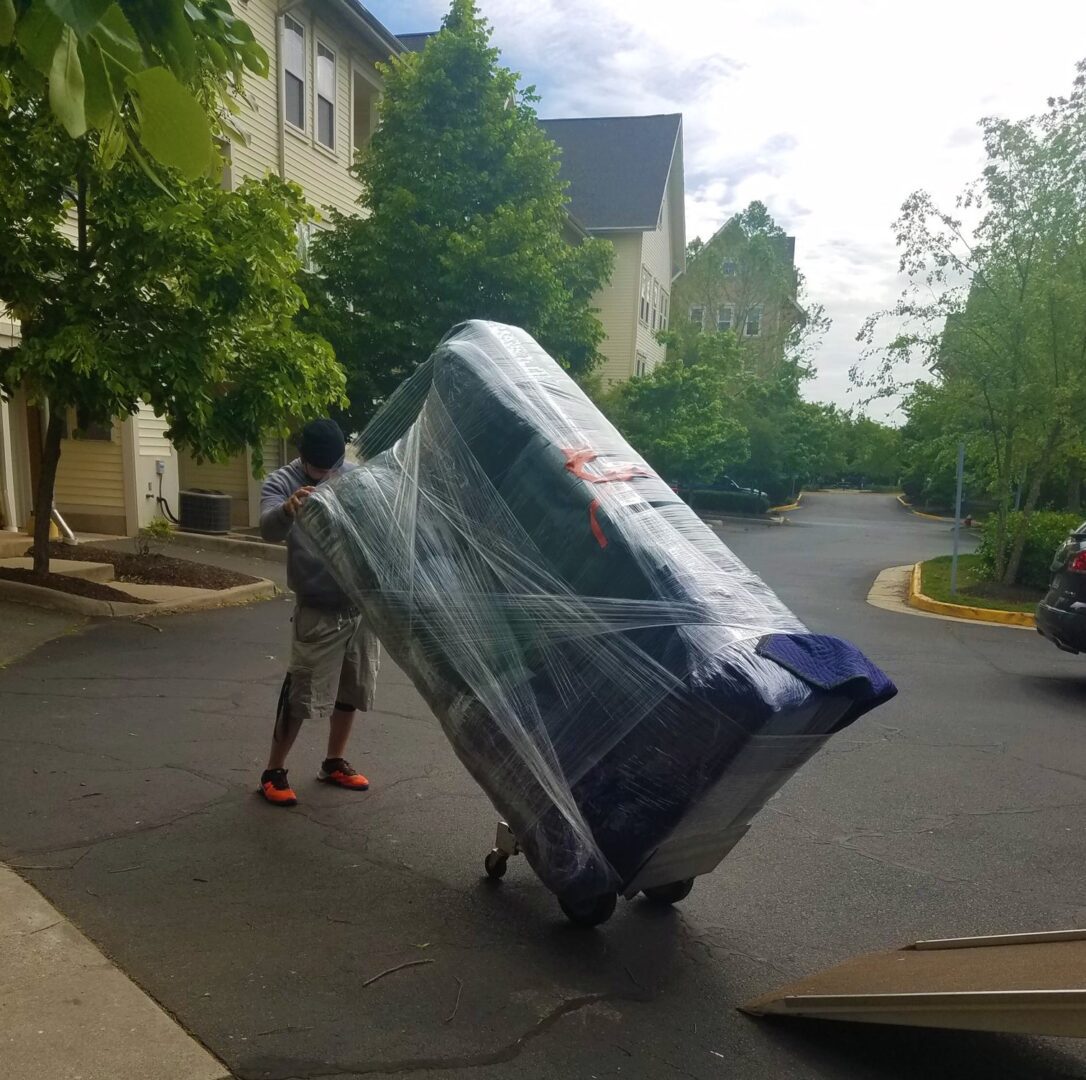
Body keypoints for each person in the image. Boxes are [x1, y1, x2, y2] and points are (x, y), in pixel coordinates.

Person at [257, 418, 379, 806]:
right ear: (302, 457)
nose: (328, 476)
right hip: (318, 607)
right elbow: (266, 529)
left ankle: (333, 762)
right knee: (301, 691)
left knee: (351, 689)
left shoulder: (354, 477)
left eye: (333, 467)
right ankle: (273, 771)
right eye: (318, 469)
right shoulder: (281, 482)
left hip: (359, 606)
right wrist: (287, 511)